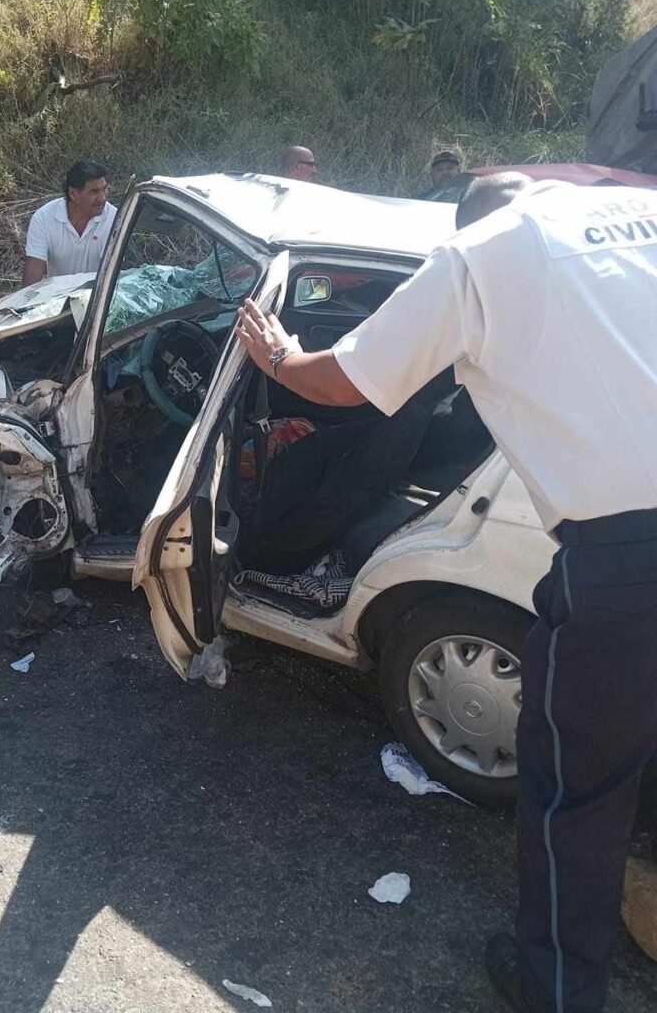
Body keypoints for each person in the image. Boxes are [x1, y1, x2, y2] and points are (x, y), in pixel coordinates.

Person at [234, 170, 657, 1013]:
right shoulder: (636, 212)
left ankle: (558, 991)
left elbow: (346, 382)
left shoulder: (475, 259)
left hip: (627, 557)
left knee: (579, 791)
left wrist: (276, 354)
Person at [22, 160, 116, 286]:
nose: (102, 198)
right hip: (56, 298)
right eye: (94, 192)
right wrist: (27, 304)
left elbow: (112, 270)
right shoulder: (43, 218)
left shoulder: (114, 218)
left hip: (97, 298)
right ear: (73, 194)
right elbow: (34, 269)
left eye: (104, 190)